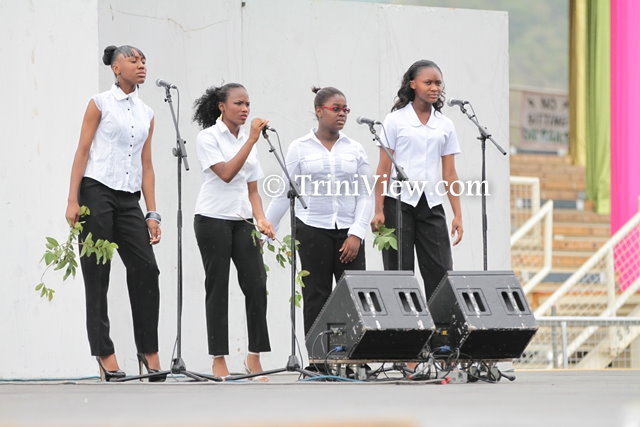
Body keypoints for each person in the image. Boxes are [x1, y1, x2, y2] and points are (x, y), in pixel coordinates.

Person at [65, 45, 164, 381]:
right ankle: (104, 353)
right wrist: (72, 199)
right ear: (116, 68)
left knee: (147, 269)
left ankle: (148, 350)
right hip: (96, 191)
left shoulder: (147, 113)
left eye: (144, 60)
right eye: (133, 60)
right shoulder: (100, 103)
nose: (141, 65)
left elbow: (146, 165)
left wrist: (152, 212)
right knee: (98, 274)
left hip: (128, 199)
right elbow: (82, 151)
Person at [266, 86, 372, 336]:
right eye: (336, 109)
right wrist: (266, 228)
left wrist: (357, 233)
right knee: (316, 294)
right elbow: (285, 191)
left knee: (354, 295)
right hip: (312, 229)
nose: (342, 114)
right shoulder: (299, 147)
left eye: (345, 109)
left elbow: (365, 194)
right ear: (319, 111)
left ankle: (353, 354)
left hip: (348, 232)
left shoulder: (355, 148)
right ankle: (317, 355)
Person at [192, 83, 275, 381]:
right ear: (221, 107)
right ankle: (218, 358)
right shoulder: (208, 137)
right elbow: (226, 174)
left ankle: (254, 356)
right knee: (218, 287)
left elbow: (252, 190)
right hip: (212, 218)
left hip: (243, 220)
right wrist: (251, 140)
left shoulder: (248, 142)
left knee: (257, 283)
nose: (245, 109)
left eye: (247, 104)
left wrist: (262, 219)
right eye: (238, 103)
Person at [371, 59, 463, 303]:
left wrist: (457, 214)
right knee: (399, 273)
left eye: (438, 83)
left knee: (441, 272)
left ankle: (441, 327)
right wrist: (378, 209)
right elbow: (383, 168)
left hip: (431, 204)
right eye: (428, 82)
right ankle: (404, 325)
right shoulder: (395, 120)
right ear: (413, 84)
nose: (434, 88)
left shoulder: (445, 124)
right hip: (397, 204)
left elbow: (450, 173)